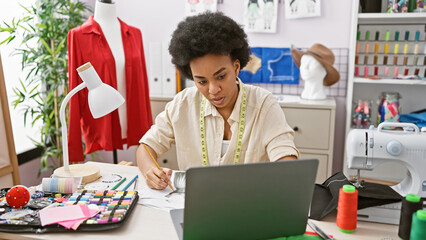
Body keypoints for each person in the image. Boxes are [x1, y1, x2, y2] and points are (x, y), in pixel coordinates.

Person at [136, 12, 299, 190]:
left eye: (221, 76)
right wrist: (150, 171)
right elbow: (146, 147)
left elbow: (286, 157)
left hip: (248, 202)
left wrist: (285, 175)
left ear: (236, 67)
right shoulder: (183, 104)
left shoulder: (263, 104)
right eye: (202, 81)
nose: (213, 90)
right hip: (197, 204)